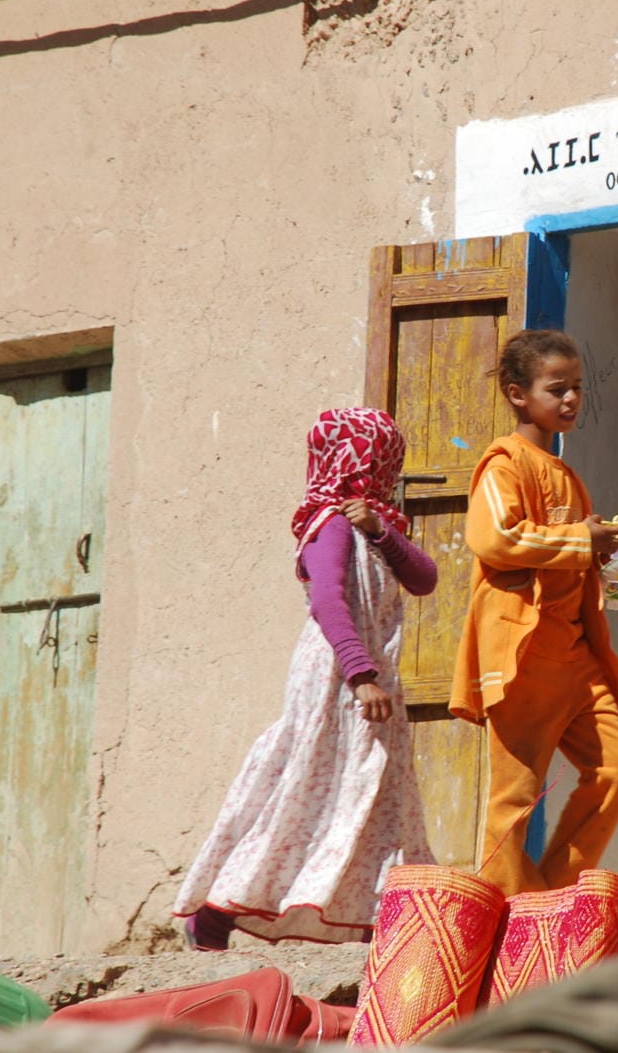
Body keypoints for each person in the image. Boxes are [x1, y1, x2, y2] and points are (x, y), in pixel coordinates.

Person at [174, 407, 438, 949]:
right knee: (305, 789)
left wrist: (382, 531)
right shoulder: (329, 526)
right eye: (384, 461)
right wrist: (361, 675)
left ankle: (383, 923)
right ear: (366, 463)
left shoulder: (371, 528)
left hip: (370, 680)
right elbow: (327, 601)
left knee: (377, 791)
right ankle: (217, 914)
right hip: (338, 679)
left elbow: (424, 578)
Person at [453, 328, 618, 895]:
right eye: (556, 388)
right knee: (514, 798)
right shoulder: (504, 463)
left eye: (577, 388)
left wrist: (606, 548)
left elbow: (569, 552)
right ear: (518, 395)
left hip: (575, 654)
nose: (570, 399)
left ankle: (550, 895)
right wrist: (582, 539)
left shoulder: (565, 474)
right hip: (525, 654)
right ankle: (506, 914)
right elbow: (495, 539)